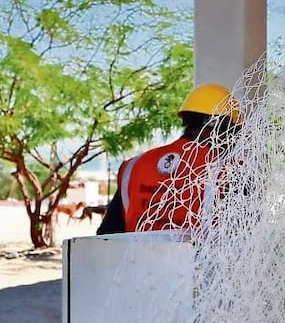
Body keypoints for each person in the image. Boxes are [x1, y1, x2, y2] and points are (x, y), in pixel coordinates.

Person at [97, 83, 240, 235]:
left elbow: (107, 235)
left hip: (136, 258)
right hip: (198, 259)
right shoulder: (231, 171)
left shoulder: (132, 167)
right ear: (224, 127)